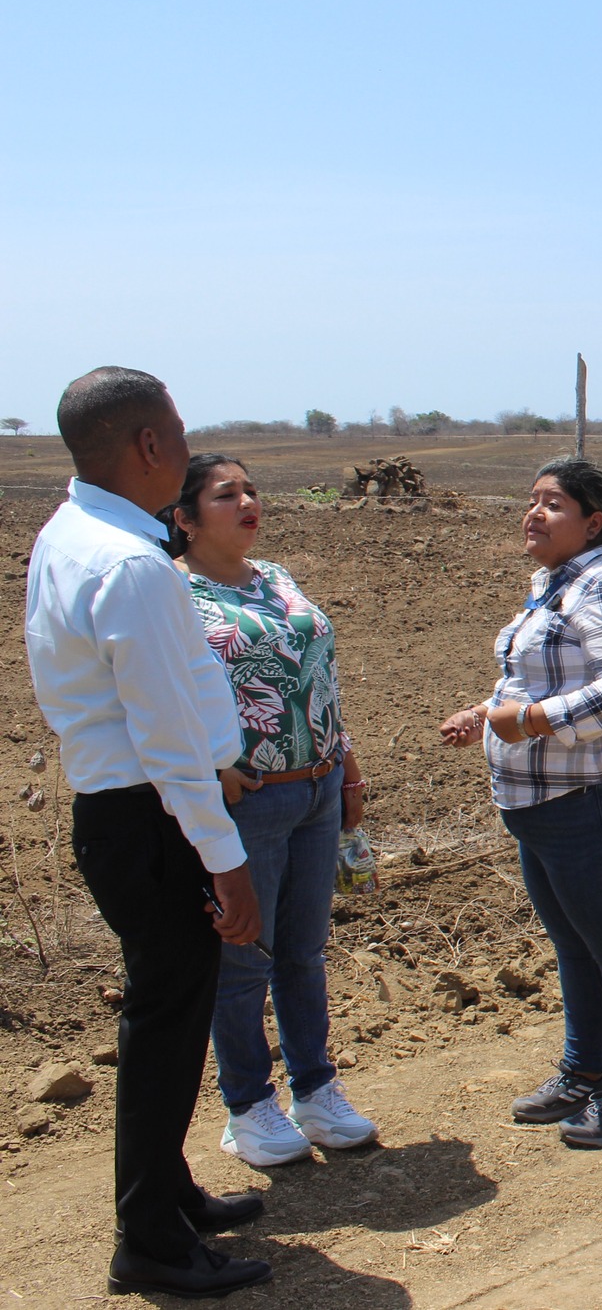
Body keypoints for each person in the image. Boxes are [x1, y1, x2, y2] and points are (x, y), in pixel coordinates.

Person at [24, 368, 272, 1298]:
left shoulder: (71, 532)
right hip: (155, 816)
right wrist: (226, 860)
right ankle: (153, 1242)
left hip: (123, 809)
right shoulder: (129, 564)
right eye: (180, 428)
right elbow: (167, 739)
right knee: (167, 1025)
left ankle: (169, 1195)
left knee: (166, 1012)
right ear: (152, 445)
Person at [438, 458, 602, 1148]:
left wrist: (531, 721)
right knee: (578, 946)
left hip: (595, 796)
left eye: (553, 504)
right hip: (543, 803)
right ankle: (585, 1070)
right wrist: (485, 711)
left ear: (593, 523)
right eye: (531, 500)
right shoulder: (555, 584)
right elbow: (534, 676)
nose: (533, 513)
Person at [165, 455, 380, 1167]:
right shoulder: (173, 593)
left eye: (251, 490)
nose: (247, 502)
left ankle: (314, 1090)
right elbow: (162, 693)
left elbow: (320, 677)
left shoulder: (277, 578)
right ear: (186, 518)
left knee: (302, 953)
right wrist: (210, 768)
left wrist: (345, 762)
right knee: (242, 958)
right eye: (226, 494)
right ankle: (248, 1106)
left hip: (317, 786)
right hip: (250, 799)